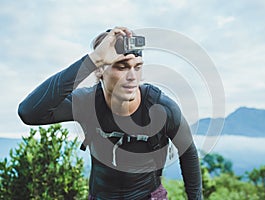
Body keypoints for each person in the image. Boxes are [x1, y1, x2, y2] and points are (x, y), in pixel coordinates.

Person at [18, 26, 202, 200]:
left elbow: (188, 154)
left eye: (137, 67)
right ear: (100, 69)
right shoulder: (87, 103)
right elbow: (29, 112)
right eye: (121, 67)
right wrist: (93, 60)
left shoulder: (161, 108)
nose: (132, 77)